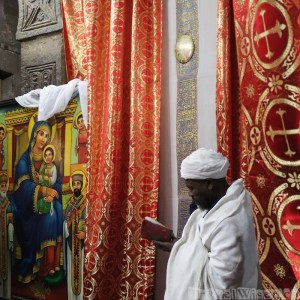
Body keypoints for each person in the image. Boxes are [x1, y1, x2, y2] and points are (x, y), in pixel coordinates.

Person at [162, 148, 261, 300]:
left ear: (209, 183)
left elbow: (221, 286)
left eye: (191, 188)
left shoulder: (230, 223)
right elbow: (202, 247)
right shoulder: (217, 205)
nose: (190, 194)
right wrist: (178, 246)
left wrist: (182, 253)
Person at [11, 120, 63, 283]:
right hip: (27, 207)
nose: (44, 139)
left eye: (47, 136)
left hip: (45, 204)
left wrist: (53, 193)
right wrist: (43, 191)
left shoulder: (51, 160)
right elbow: (23, 187)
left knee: (56, 212)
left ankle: (48, 264)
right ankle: (30, 264)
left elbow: (58, 182)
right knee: (45, 217)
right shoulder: (24, 161)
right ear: (34, 134)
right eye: (41, 134)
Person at [64, 171, 86, 299]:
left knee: (81, 271)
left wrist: (85, 233)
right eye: (74, 184)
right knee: (72, 270)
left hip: (82, 243)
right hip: (71, 243)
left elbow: (91, 222)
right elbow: (64, 222)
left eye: (78, 184)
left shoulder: (86, 203)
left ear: (82, 185)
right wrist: (67, 224)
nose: (76, 186)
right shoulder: (70, 203)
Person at [0, 172, 14, 299]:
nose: (3, 188)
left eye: (5, 186)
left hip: (5, 241)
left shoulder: (9, 204)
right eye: (1, 186)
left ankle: (7, 295)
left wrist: (10, 229)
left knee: (7, 269)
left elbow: (11, 221)